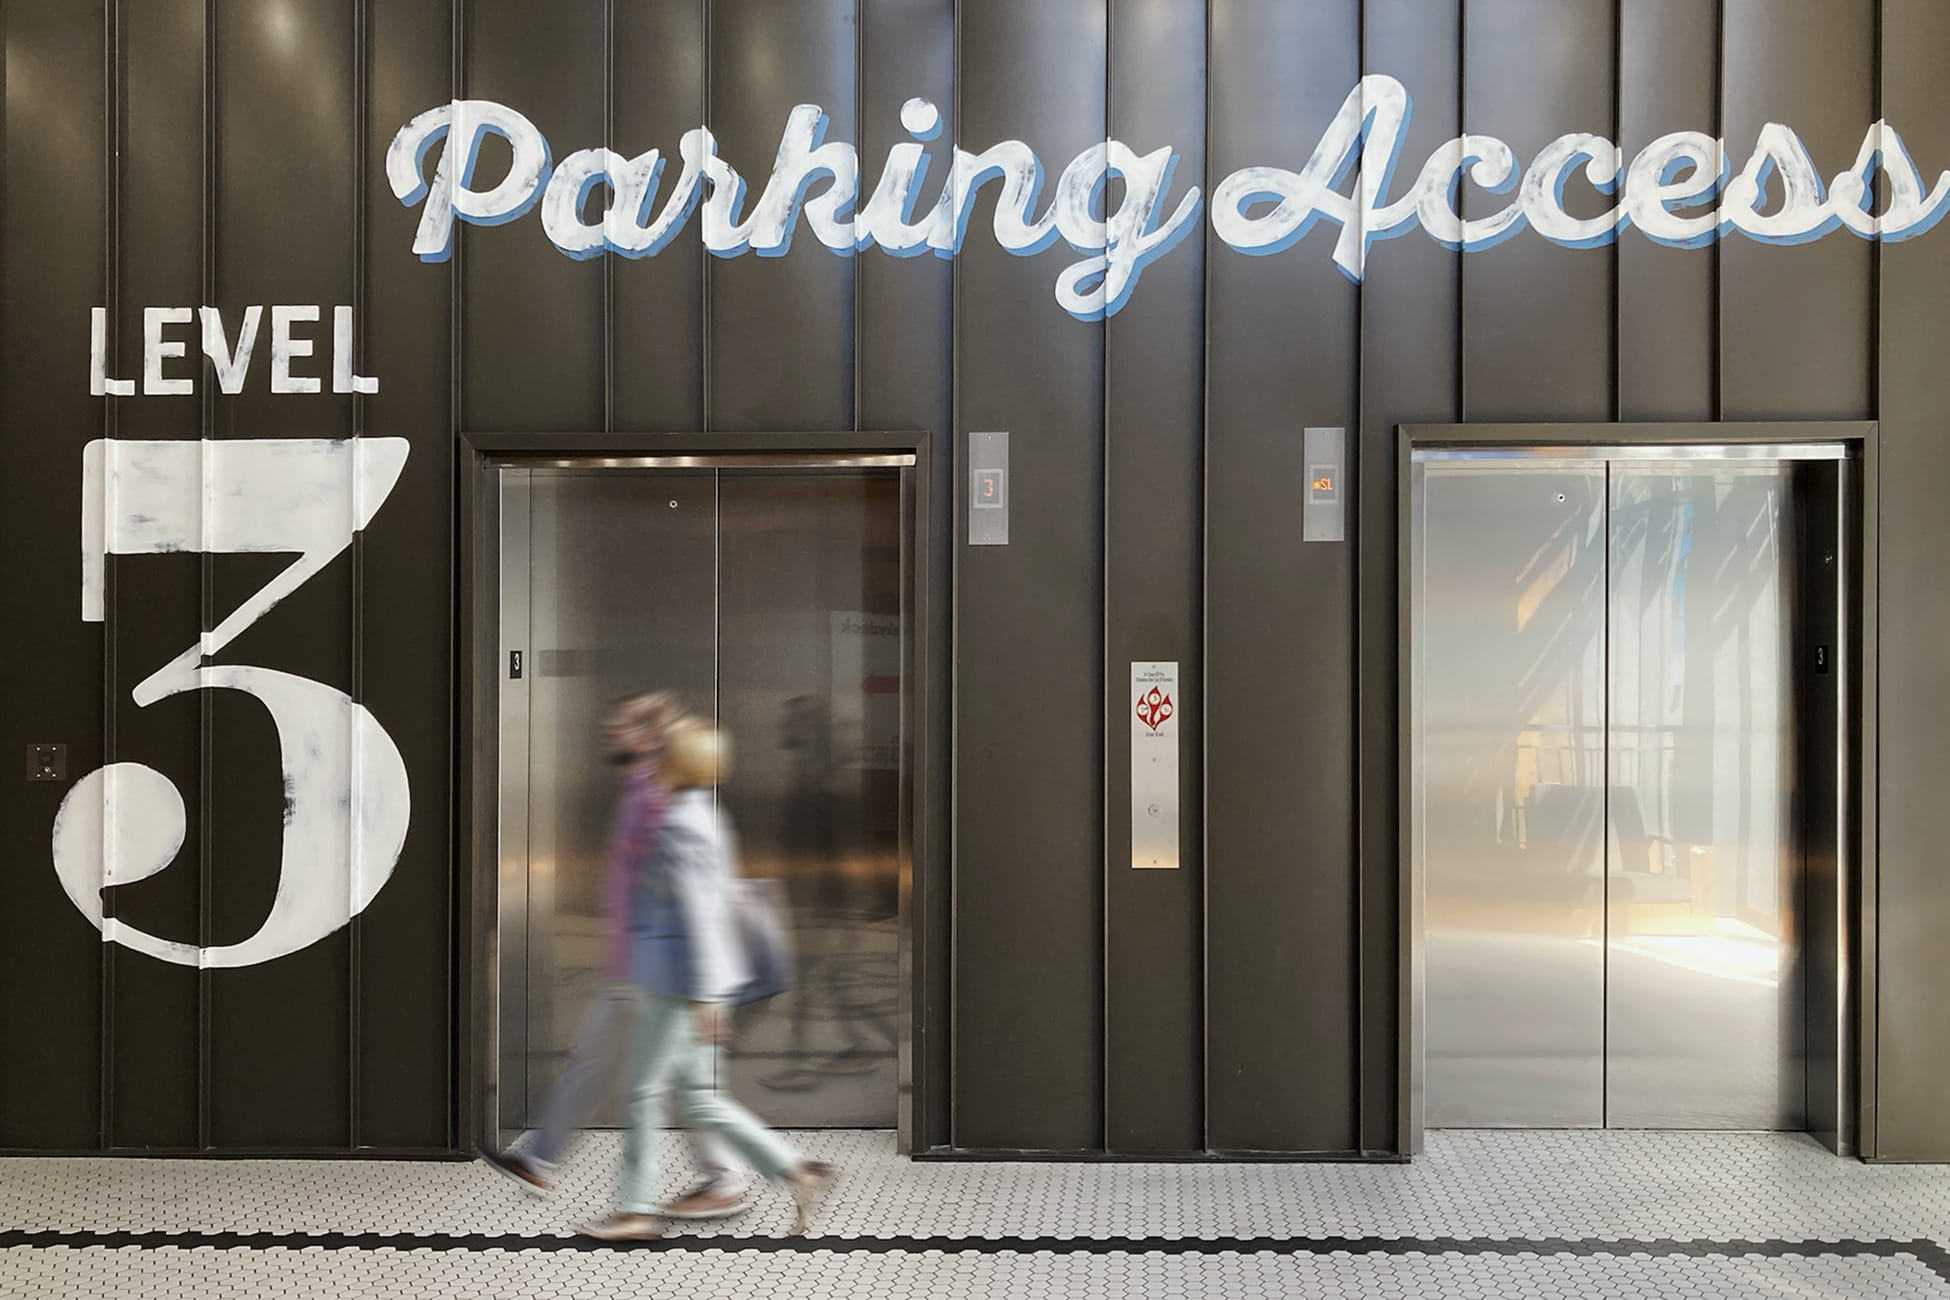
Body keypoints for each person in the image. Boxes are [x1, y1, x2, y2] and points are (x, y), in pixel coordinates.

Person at [577, 716, 833, 1241]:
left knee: (641, 1091)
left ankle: (636, 1209)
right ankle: (794, 1171)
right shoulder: (704, 814)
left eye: (660, 751)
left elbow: (699, 913)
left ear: (676, 761)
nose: (650, 758)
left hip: (678, 984)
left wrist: (706, 997)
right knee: (698, 1097)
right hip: (686, 981)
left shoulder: (678, 825)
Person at [478, 690, 683, 1195]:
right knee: (608, 1067)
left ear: (652, 736)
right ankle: (538, 1157)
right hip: (630, 963)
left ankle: (720, 1177)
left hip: (648, 964)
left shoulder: (655, 797)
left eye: (627, 725)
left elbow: (677, 883)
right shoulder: (639, 790)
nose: (614, 731)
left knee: (664, 1083)